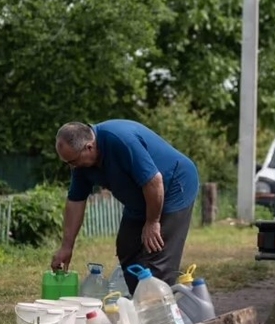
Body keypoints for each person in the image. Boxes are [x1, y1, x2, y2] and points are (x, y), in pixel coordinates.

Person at [50, 119, 200, 294]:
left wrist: (152, 222)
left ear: (89, 147)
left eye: (73, 161)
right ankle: (142, 304)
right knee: (127, 248)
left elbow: (154, 181)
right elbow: (75, 201)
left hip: (173, 186)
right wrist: (66, 247)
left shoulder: (119, 140)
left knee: (157, 255)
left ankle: (159, 310)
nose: (71, 166)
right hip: (140, 196)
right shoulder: (82, 165)